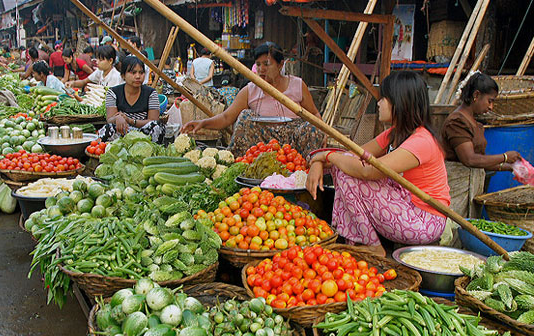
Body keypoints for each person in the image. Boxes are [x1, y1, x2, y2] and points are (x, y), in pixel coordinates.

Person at [306, 71, 450, 257]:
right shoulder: (395, 133)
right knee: (343, 164)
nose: (379, 103)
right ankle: (356, 239)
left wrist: (327, 157)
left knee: (346, 171)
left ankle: (371, 244)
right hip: (406, 207)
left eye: (384, 99)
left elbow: (368, 171)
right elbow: (353, 154)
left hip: (424, 222)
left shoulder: (421, 141)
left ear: (400, 102)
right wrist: (319, 161)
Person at [182, 42, 326, 159]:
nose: (261, 69)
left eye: (266, 64)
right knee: (245, 116)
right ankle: (239, 165)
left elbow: (314, 115)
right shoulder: (250, 90)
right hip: (262, 146)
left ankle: (310, 170)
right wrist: (202, 123)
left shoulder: (297, 85)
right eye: (258, 64)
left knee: (312, 127)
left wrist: (322, 134)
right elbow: (226, 117)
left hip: (293, 146)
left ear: (280, 64)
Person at [442, 72, 521, 172]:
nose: (491, 107)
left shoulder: (475, 123)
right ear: (476, 95)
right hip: (457, 183)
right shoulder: (456, 123)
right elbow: (470, 159)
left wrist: (512, 167)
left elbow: (481, 161)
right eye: (489, 101)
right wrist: (505, 157)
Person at [100, 56, 164, 143]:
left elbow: (153, 120)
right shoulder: (113, 92)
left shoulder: (151, 93)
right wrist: (117, 118)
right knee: (107, 129)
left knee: (157, 126)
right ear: (123, 75)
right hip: (122, 132)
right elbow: (109, 119)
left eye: (141, 72)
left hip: (143, 133)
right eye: (133, 72)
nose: (138, 76)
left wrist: (131, 121)